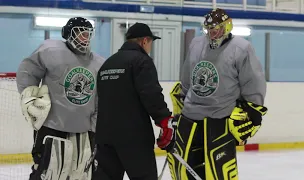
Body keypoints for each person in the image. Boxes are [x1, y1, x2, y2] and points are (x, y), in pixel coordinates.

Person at [168, 8, 268, 180]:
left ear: (227, 27)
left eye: (217, 29)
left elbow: (253, 83)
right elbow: (186, 79)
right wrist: (179, 110)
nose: (213, 34)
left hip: (220, 121)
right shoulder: (196, 44)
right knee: (182, 173)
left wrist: (253, 112)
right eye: (209, 30)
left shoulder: (242, 48)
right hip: (189, 119)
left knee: (218, 174)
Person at [16, 17, 104, 180]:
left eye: (87, 34)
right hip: (52, 127)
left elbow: (100, 98)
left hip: (83, 131)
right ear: (68, 34)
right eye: (80, 34)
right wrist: (31, 100)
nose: (84, 38)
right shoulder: (50, 50)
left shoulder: (98, 63)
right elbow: (28, 72)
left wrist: (94, 127)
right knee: (46, 171)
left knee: (79, 173)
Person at [93, 22, 177, 180]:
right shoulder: (141, 61)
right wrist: (164, 120)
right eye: (151, 42)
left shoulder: (108, 63)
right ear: (145, 41)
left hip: (105, 136)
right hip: (134, 138)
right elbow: (151, 95)